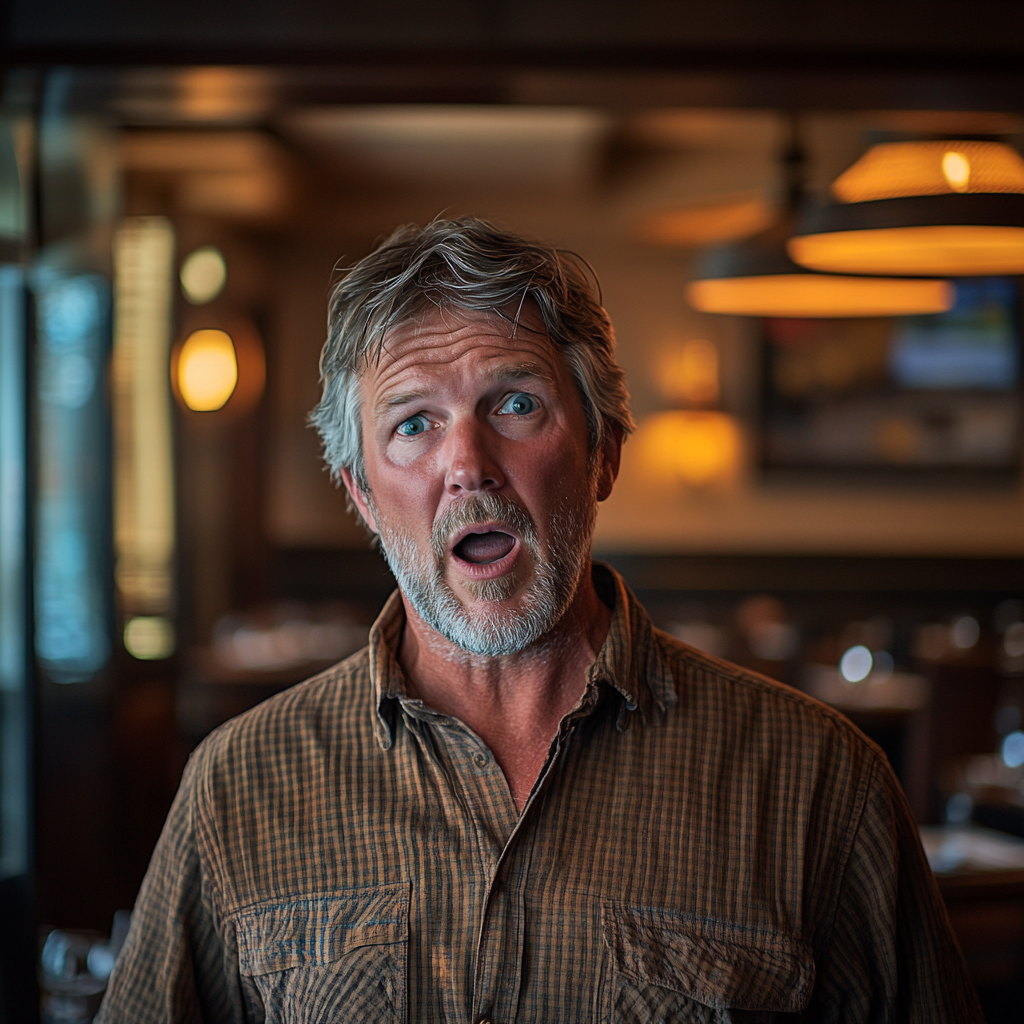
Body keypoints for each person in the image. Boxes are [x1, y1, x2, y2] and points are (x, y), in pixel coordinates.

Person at [98, 217, 982, 1023]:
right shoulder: (237, 786)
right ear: (361, 496)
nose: (467, 466)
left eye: (516, 404)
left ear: (603, 452)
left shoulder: (822, 786)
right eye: (413, 424)